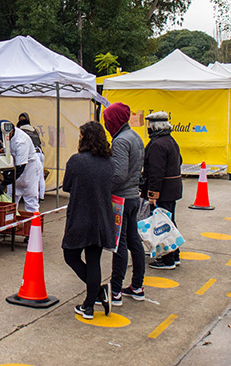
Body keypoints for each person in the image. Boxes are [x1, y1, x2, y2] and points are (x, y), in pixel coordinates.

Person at [62, 121, 115, 319]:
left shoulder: (76, 161)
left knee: (71, 256)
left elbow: (66, 186)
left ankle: (97, 295)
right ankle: (90, 304)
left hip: (80, 216)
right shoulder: (110, 162)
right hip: (102, 217)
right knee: (94, 260)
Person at [103, 103, 145, 305]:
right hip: (134, 197)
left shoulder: (120, 141)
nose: (105, 124)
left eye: (107, 120)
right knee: (134, 241)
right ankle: (137, 285)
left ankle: (116, 291)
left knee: (119, 244)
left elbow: (119, 174)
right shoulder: (136, 137)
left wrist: (104, 189)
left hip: (121, 199)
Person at [142, 112, 183, 270]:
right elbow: (180, 160)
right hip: (172, 188)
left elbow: (156, 171)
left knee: (163, 224)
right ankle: (175, 254)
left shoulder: (158, 144)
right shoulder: (170, 141)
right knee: (169, 222)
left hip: (163, 190)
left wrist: (152, 193)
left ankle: (168, 259)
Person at [0, 120, 41, 213]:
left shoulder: (21, 142)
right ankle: (11, 223)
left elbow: (20, 167)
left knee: (30, 200)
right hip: (16, 166)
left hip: (29, 169)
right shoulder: (8, 137)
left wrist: (5, 182)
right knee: (11, 199)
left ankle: (33, 225)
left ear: (11, 131)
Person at [17, 112, 45, 201]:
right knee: (40, 175)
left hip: (32, 155)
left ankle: (31, 195)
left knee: (31, 176)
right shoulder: (34, 130)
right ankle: (41, 196)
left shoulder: (20, 131)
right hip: (40, 153)